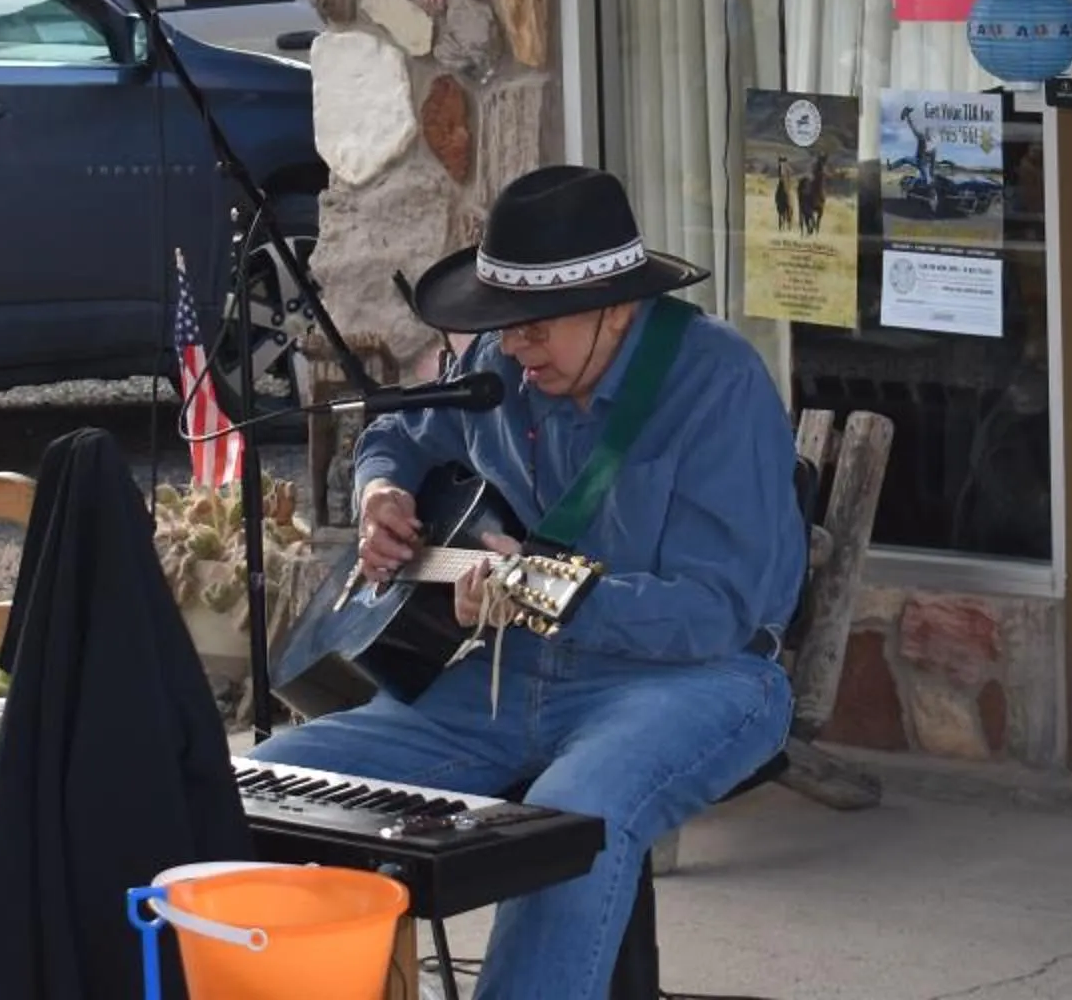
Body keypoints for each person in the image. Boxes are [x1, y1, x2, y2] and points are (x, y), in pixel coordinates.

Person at [263, 165, 805, 1000]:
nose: (513, 349)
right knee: (281, 785)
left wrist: (542, 594)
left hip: (688, 680)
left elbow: (719, 613)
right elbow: (402, 434)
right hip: (494, 680)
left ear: (615, 306)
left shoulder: (717, 383)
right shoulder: (502, 356)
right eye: (503, 327)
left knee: (569, 823)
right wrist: (382, 489)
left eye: (536, 329)